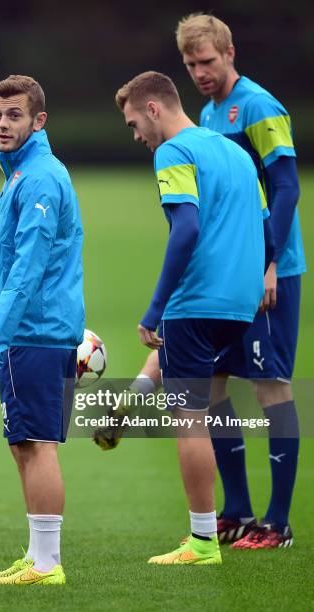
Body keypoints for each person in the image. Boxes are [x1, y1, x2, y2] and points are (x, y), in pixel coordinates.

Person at [116, 71, 266, 564]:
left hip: (197, 301)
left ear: (155, 108)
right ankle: (128, 405)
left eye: (136, 123)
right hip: (240, 305)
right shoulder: (235, 152)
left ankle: (202, 542)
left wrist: (155, 309)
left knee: (190, 418)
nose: (137, 135)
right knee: (200, 393)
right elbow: (264, 224)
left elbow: (185, 229)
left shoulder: (173, 151)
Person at [175, 13, 303, 549]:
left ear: (229, 51)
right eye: (190, 64)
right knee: (218, 385)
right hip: (231, 277)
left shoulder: (258, 105)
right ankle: (236, 511)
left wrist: (268, 263)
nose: (200, 72)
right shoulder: (206, 113)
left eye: (206, 61)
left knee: (270, 386)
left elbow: (287, 188)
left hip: (268, 273)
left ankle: (277, 522)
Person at [0, 75, 84, 585]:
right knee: (26, 442)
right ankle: (38, 555)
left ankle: (47, 564)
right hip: (38, 329)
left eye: (14, 115)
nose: (2, 124)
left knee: (37, 442)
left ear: (38, 120)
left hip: (33, 331)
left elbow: (28, 266)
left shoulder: (40, 176)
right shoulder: (22, 172)